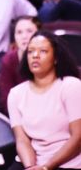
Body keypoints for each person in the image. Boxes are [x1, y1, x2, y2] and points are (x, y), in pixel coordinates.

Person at [7, 31, 81, 170]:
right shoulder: (16, 94)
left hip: (67, 162)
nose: (35, 55)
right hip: (33, 162)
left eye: (43, 51)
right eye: (30, 52)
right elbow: (22, 140)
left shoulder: (71, 86)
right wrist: (31, 167)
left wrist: (46, 167)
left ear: (55, 58)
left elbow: (78, 137)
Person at [0, 16, 41, 114]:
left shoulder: (51, 57)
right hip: (20, 116)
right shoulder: (8, 61)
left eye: (29, 31)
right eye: (19, 32)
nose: (24, 36)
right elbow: (6, 101)